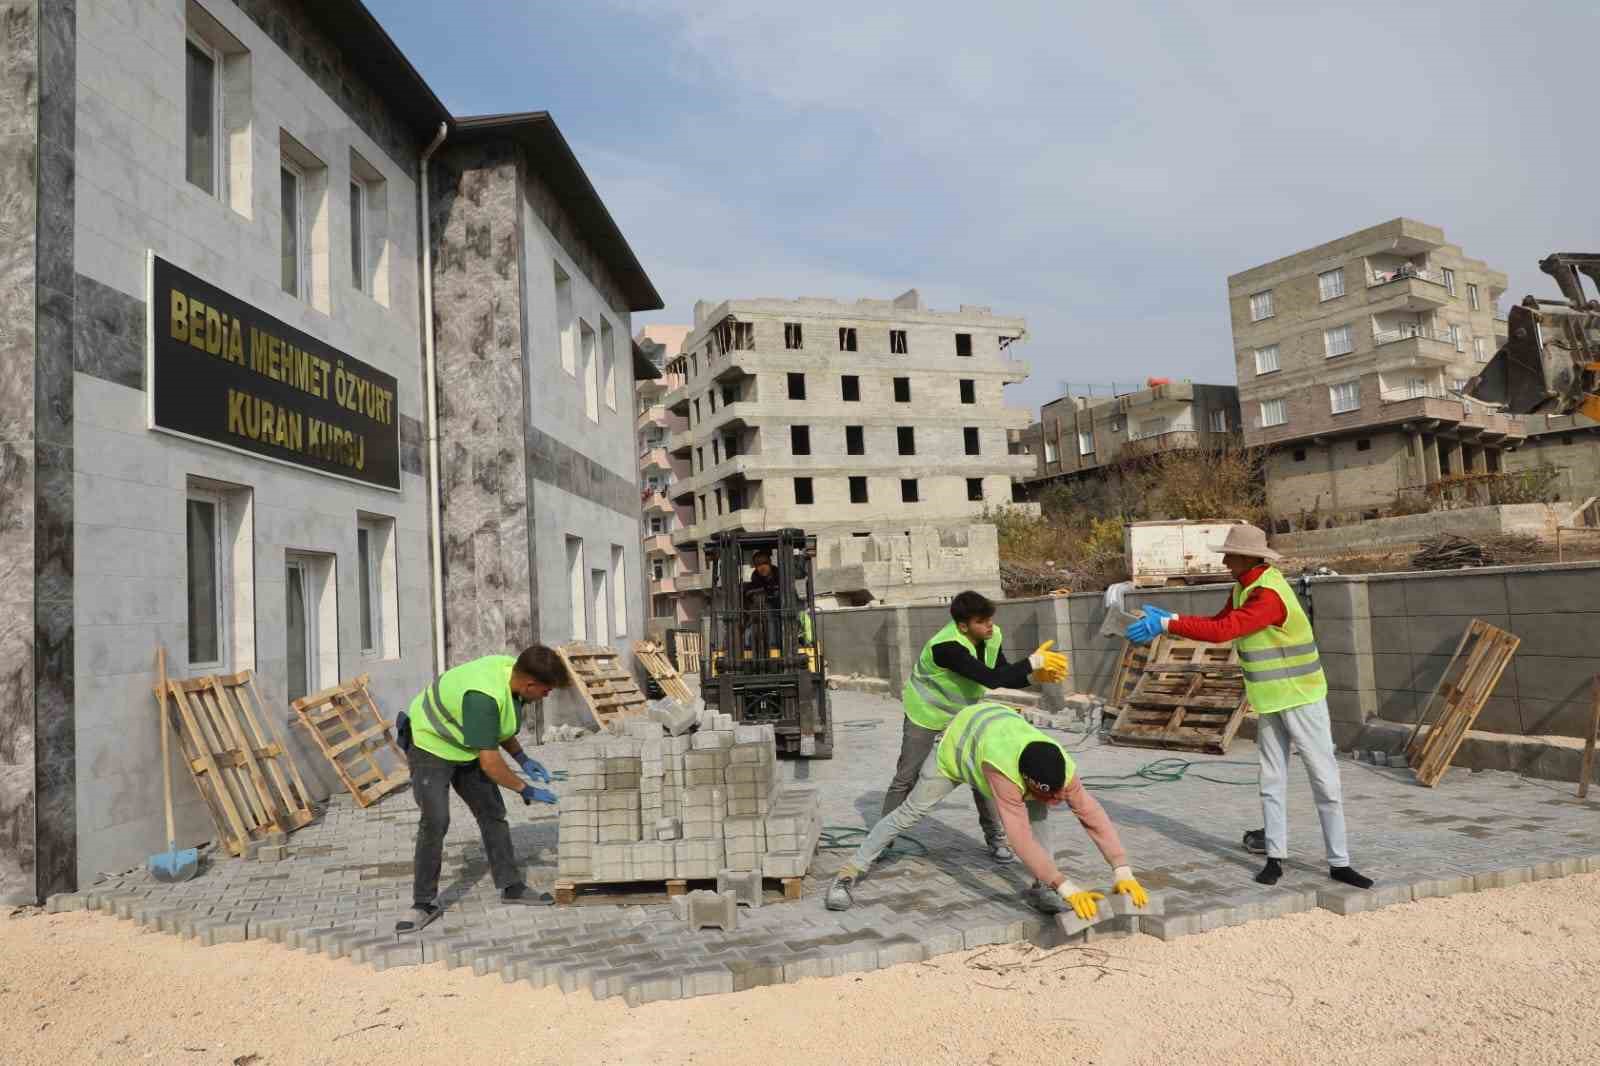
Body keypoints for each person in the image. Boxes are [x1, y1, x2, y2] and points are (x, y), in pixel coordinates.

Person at [1125, 524, 1373, 890]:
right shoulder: (1245, 587)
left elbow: (1227, 631)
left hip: (1302, 697)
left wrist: (1167, 622)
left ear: (1248, 558)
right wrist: (1171, 620)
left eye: (1229, 554)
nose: (1225, 560)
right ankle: (1275, 856)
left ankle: (1339, 862)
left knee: (1324, 780)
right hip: (1270, 698)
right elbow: (1217, 624)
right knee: (1271, 780)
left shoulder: (1269, 595)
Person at [827, 700, 1148, 917]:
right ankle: (849, 872)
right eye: (1045, 794)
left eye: (1058, 794)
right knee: (910, 812)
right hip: (956, 747)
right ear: (1025, 780)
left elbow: (1092, 815)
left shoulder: (1061, 767)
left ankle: (1041, 888)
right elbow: (1020, 839)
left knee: (1041, 816)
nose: (1056, 800)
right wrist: (1066, 886)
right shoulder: (1004, 773)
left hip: (995, 729)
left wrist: (1122, 870)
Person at [394, 645, 571, 933]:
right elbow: (490, 763)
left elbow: (497, 727)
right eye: (546, 690)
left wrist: (522, 758)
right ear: (530, 684)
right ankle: (422, 903)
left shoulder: (513, 677)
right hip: (430, 745)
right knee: (436, 820)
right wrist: (524, 789)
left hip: (465, 745)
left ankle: (511, 886)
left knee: (492, 813)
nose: (546, 696)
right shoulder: (482, 696)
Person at [888, 590, 1066, 864]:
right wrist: (1031, 661)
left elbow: (1003, 674)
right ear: (963, 625)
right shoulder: (946, 647)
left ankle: (996, 840)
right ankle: (883, 838)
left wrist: (1034, 675)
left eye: (990, 619)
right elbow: (989, 678)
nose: (989, 625)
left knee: (982, 773)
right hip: (925, 713)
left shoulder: (991, 636)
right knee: (906, 777)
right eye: (982, 621)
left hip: (961, 715)